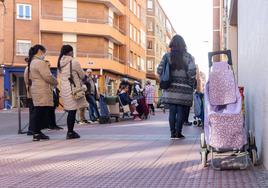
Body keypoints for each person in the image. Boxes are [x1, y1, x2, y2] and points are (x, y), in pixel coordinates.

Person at [157, 35, 196, 139]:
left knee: (172, 112)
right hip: (184, 89)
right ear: (183, 45)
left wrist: (165, 78)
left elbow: (159, 71)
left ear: (172, 44)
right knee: (180, 112)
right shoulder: (188, 57)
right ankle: (178, 133)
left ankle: (172, 133)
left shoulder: (167, 56)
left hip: (170, 88)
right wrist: (191, 83)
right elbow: (192, 73)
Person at [27, 44, 58, 141]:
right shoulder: (40, 62)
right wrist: (55, 81)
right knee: (40, 111)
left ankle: (37, 132)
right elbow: (47, 76)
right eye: (44, 52)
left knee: (39, 111)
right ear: (40, 51)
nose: (45, 54)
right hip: (42, 90)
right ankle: (36, 133)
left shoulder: (32, 62)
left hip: (36, 89)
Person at [57, 45, 88, 139]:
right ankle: (70, 132)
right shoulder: (74, 62)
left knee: (71, 111)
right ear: (70, 52)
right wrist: (85, 78)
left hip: (65, 89)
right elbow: (82, 75)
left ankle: (70, 131)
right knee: (72, 111)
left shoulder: (60, 63)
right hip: (74, 89)